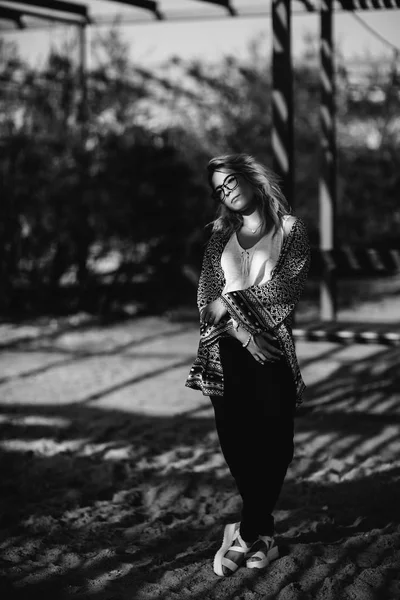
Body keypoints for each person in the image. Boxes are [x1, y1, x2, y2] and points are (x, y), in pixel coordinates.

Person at [185, 153, 310, 577]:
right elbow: (205, 301)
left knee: (276, 445)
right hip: (225, 350)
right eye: (219, 188)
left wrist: (232, 306)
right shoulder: (220, 236)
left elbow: (286, 287)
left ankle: (244, 533)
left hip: (273, 345)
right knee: (237, 444)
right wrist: (243, 334)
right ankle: (262, 536)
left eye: (231, 181)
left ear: (251, 178)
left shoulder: (291, 231)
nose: (227, 191)